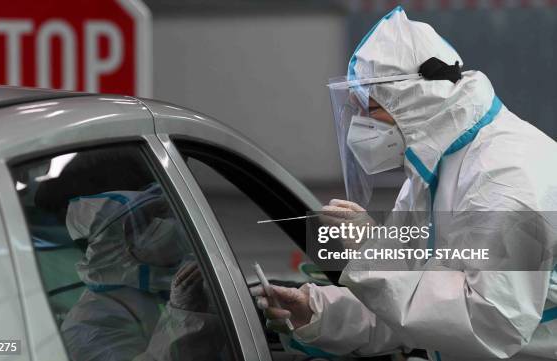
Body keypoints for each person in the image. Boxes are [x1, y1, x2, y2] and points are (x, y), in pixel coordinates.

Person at [252, 6, 557, 361]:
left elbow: (489, 325)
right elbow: (407, 299)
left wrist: (372, 253)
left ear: (413, 98)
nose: (359, 127)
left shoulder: (505, 179)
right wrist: (317, 312)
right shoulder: (431, 170)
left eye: (368, 108)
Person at [60, 183, 225, 361]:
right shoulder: (85, 328)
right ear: (105, 249)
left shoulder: (170, 284)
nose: (164, 223)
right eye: (143, 222)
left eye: (159, 213)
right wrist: (184, 319)